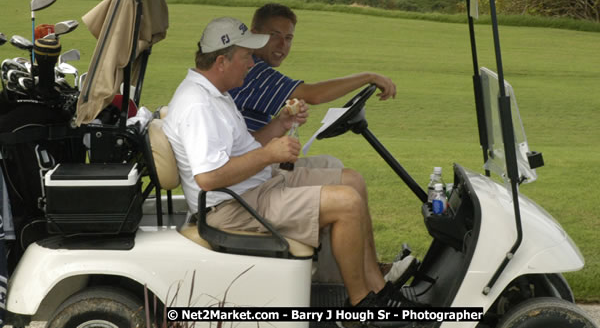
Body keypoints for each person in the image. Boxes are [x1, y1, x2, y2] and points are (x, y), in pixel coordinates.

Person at [163, 17, 421, 319]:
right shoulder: (199, 105)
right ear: (222, 60)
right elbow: (208, 178)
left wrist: (280, 124)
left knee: (353, 181)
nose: (251, 64)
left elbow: (246, 145)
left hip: (253, 188)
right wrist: (268, 156)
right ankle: (361, 307)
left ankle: (378, 290)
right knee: (347, 203)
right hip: (232, 207)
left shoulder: (215, 94)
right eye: (246, 57)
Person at [228, 3, 397, 134]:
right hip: (244, 165)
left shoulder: (249, 64)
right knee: (348, 176)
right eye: (274, 35)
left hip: (251, 156)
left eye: (288, 38)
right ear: (254, 34)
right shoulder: (253, 70)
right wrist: (368, 77)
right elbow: (314, 95)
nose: (282, 45)